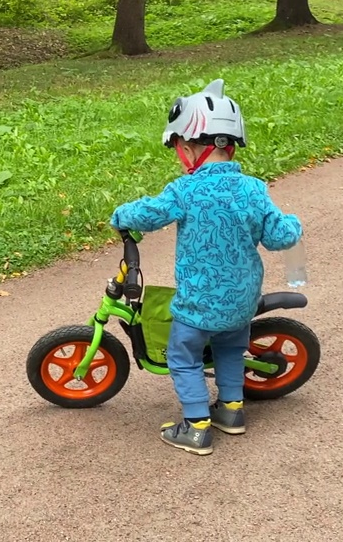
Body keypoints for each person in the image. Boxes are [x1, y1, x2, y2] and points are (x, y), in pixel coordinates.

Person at [109, 79, 302, 455]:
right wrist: (293, 223)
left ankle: (196, 426)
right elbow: (280, 237)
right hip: (242, 302)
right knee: (231, 350)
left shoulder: (185, 190)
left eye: (180, 148)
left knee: (183, 356)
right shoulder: (253, 189)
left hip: (199, 305)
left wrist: (121, 215)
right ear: (230, 145)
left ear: (187, 147)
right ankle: (231, 411)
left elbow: (148, 214)